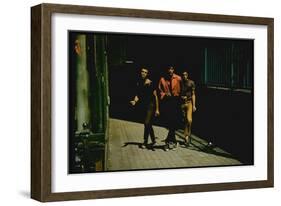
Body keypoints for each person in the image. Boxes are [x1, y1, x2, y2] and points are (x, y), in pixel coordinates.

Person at [130, 68, 160, 150]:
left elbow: (156, 96)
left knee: (146, 123)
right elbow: (137, 95)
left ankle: (145, 141)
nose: (143, 73)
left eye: (145, 72)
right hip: (143, 105)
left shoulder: (150, 83)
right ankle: (153, 140)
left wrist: (157, 109)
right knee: (148, 124)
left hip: (151, 105)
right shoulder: (139, 82)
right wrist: (134, 101)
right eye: (142, 71)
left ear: (147, 74)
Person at [158, 66, 182, 151]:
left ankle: (169, 142)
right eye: (169, 69)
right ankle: (173, 142)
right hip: (167, 102)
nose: (170, 71)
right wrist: (164, 94)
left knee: (173, 121)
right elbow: (160, 90)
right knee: (169, 121)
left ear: (173, 70)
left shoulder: (178, 78)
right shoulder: (162, 79)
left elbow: (182, 89)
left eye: (171, 69)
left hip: (175, 101)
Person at [180, 71, 196, 147]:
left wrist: (194, 105)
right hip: (182, 104)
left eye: (186, 75)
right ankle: (185, 137)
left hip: (189, 102)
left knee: (189, 120)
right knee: (184, 121)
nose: (184, 76)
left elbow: (193, 94)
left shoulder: (191, 83)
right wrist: (181, 97)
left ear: (188, 75)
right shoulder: (180, 83)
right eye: (183, 75)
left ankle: (188, 136)